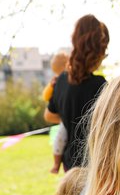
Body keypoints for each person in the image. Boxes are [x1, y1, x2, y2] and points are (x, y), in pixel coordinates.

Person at [44, 15, 109, 171]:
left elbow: (49, 115)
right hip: (94, 168)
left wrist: (70, 114)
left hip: (70, 168)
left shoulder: (61, 81)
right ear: (98, 53)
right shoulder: (100, 86)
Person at [42, 52, 70, 174]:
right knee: (59, 139)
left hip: (65, 116)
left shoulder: (69, 78)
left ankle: (56, 163)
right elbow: (45, 96)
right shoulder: (58, 81)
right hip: (63, 117)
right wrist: (52, 86)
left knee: (60, 138)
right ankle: (56, 164)